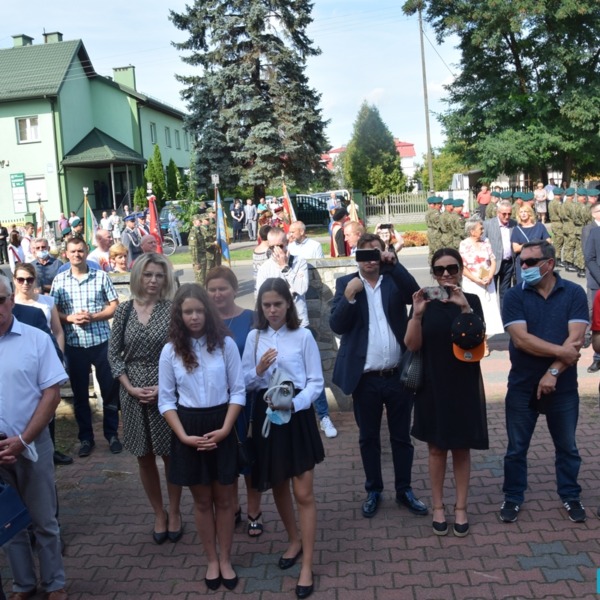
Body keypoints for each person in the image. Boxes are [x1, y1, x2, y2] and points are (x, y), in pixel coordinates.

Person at [330, 233, 426, 519]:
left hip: (397, 375)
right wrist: (349, 296)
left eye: (375, 253)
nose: (370, 259)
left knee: (401, 437)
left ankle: (404, 489)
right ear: (356, 257)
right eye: (364, 253)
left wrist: (394, 264)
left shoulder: (393, 279)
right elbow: (337, 325)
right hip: (366, 379)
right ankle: (373, 489)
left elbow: (415, 294)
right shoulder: (346, 283)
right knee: (368, 437)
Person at [241, 278, 324, 599]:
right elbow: (245, 382)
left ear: (288, 304)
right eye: (267, 305)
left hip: (297, 415)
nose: (272, 310)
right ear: (260, 307)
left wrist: (296, 404)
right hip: (268, 416)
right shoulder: (254, 337)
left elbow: (315, 382)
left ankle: (308, 565)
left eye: (278, 304)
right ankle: (294, 540)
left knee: (303, 492)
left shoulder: (303, 336)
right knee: (278, 484)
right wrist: (259, 369)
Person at [158, 284, 245, 591]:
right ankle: (211, 560)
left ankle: (226, 559)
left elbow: (238, 390)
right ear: (179, 315)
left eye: (198, 310)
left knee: (225, 499)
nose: (194, 317)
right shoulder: (170, 350)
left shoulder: (225, 344)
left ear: (207, 312)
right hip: (188, 427)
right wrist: (183, 436)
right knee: (202, 500)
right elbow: (166, 399)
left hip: (222, 423)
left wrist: (226, 429)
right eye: (187, 311)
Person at [499, 240, 588, 524]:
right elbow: (521, 340)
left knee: (567, 447)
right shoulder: (514, 295)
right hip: (522, 385)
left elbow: (576, 339)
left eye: (529, 262)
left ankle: (570, 495)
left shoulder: (573, 292)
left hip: (563, 386)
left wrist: (553, 373)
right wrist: (562, 353)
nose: (523, 266)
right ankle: (513, 497)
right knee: (516, 449)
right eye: (521, 262)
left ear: (549, 264)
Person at [405, 248, 489, 537]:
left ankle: (461, 507)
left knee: (462, 447)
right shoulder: (423, 303)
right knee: (436, 448)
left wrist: (464, 309)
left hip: (463, 381)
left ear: (461, 269)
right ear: (433, 273)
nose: (446, 274)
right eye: (439, 269)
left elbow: (477, 342)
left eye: (451, 268)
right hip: (431, 382)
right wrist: (417, 315)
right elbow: (412, 345)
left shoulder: (472, 301)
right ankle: (438, 506)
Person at [0, 276, 70, 600]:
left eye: (1, 300)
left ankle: (55, 583)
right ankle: (23, 585)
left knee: (44, 520)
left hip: (33, 444)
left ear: (11, 300)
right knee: (9, 522)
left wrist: (24, 439)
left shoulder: (36, 339)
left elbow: (52, 394)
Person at [108, 254, 183, 544]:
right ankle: (158, 513)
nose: (153, 280)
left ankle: (174, 511)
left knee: (170, 454)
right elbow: (114, 355)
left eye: (159, 275)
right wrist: (129, 387)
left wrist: (164, 387)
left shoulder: (173, 309)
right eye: (148, 274)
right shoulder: (124, 310)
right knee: (144, 456)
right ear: (138, 275)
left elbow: (181, 351)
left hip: (165, 391)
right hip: (132, 394)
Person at [256, 228, 337, 438]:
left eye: (281, 245)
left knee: (312, 373)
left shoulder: (298, 262)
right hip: (274, 329)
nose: (277, 250)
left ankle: (323, 416)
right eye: (272, 247)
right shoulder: (265, 268)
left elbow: (300, 288)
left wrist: (285, 268)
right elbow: (260, 296)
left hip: (299, 326)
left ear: (287, 243)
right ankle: (276, 411)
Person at [205, 266, 264, 537]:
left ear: (234, 290)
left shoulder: (251, 318)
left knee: (250, 456)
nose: (217, 294)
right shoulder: (203, 321)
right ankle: (233, 506)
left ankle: (254, 510)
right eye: (212, 289)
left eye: (223, 288)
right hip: (217, 402)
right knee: (226, 459)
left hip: (248, 400)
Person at [50, 237, 122, 458]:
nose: (77, 255)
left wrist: (94, 316)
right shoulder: (60, 280)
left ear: (86, 251)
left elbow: (114, 306)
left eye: (80, 251)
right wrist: (70, 318)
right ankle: (86, 438)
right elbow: (53, 312)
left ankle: (112, 435)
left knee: (109, 391)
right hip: (75, 344)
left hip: (101, 342)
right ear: (66, 254)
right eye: (73, 251)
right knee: (80, 395)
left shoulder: (100, 276)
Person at [459, 218, 505, 353]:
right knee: (474, 313)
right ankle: (476, 341)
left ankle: (484, 341)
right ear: (472, 231)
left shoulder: (486, 241)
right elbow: (462, 267)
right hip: (472, 283)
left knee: (487, 312)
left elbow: (493, 260)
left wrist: (490, 275)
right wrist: (476, 279)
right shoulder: (464, 244)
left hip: (487, 283)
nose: (483, 231)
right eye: (480, 228)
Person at [484, 200, 517, 309]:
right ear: (498, 213)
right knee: (491, 293)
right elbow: (482, 243)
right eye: (504, 214)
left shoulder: (514, 224)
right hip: (492, 265)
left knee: (505, 293)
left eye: (509, 214)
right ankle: (492, 317)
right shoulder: (488, 224)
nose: (507, 216)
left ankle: (504, 317)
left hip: (508, 264)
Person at [510, 203, 551, 283]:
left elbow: (548, 241)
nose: (523, 214)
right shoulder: (516, 229)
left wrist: (537, 244)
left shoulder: (540, 226)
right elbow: (516, 248)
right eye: (521, 212)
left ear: (530, 213)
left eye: (525, 211)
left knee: (538, 285)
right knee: (523, 286)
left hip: (538, 262)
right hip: (523, 264)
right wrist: (530, 245)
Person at [188, 214, 208, 285]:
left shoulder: (199, 231)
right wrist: (196, 262)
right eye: (199, 220)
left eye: (201, 220)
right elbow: (193, 249)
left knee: (204, 280)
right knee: (200, 281)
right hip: (199, 260)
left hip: (203, 258)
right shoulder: (193, 233)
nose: (200, 222)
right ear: (194, 222)